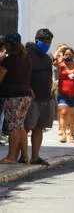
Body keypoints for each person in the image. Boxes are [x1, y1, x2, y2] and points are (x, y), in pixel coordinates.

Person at [0, 32, 33, 164]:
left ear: (8, 44)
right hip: (26, 95)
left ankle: (11, 157)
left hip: (13, 96)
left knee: (13, 127)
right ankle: (24, 156)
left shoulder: (9, 60)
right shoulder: (26, 58)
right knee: (20, 126)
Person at [23, 29, 55, 165]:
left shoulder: (47, 57)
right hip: (32, 98)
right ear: (37, 40)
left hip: (45, 97)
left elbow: (49, 76)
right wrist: (29, 89)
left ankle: (35, 157)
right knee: (26, 128)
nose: (47, 44)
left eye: (49, 42)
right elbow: (23, 75)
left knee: (39, 128)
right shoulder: (27, 56)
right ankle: (23, 156)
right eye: (45, 41)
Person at [54, 46, 74, 143]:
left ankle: (72, 135)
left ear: (73, 55)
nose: (68, 56)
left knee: (73, 115)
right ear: (63, 56)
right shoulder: (61, 64)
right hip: (63, 93)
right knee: (63, 113)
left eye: (70, 54)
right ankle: (64, 135)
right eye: (66, 54)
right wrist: (60, 49)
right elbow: (53, 60)